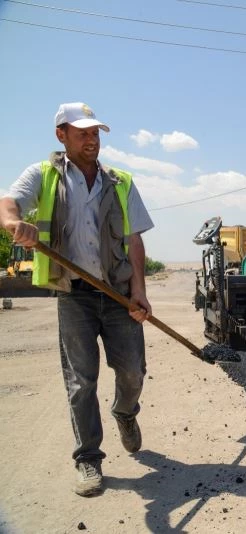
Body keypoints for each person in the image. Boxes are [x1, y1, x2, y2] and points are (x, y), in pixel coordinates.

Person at [0, 102, 154, 496]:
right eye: (82, 133)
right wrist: (15, 222)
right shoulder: (44, 176)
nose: (91, 140)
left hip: (118, 295)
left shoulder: (119, 181)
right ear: (61, 136)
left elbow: (135, 239)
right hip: (74, 296)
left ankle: (125, 412)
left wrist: (139, 290)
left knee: (133, 370)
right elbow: (8, 203)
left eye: (95, 133)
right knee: (81, 382)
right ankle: (88, 459)